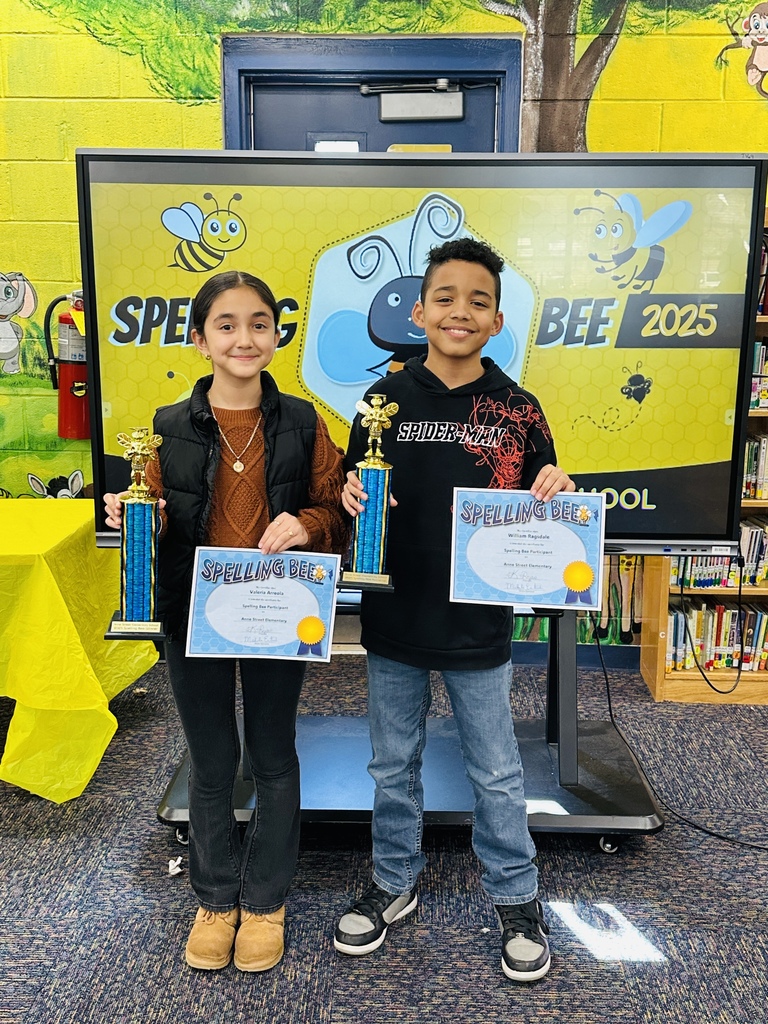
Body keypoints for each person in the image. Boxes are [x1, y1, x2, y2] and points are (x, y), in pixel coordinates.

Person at [335, 237, 575, 982]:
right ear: (419, 311)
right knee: (390, 762)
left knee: (497, 770)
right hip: (395, 615)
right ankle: (393, 880)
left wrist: (559, 486)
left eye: (477, 301)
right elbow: (352, 493)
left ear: (497, 320)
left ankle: (515, 894)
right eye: (445, 298)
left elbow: (547, 493)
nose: (459, 312)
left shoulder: (516, 409)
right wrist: (348, 499)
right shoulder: (382, 402)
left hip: (478, 624)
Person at [104, 270, 348, 973]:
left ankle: (266, 902)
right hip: (194, 614)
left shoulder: (304, 422)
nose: (245, 338)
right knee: (211, 762)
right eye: (227, 324)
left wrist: (304, 523)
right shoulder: (166, 428)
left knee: (272, 756)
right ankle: (215, 899)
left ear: (277, 335)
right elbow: (152, 507)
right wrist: (132, 514)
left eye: (259, 324)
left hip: (278, 611)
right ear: (199, 339)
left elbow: (337, 507)